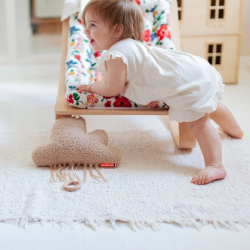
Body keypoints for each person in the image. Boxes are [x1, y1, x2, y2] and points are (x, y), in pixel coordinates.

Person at [76, 0, 244, 185]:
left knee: (198, 122)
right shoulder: (130, 45)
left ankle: (216, 165)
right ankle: (234, 130)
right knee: (211, 104)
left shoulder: (116, 54)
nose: (86, 30)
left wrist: (92, 87)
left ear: (117, 30)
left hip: (184, 83)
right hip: (191, 70)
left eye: (92, 25)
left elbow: (112, 88)